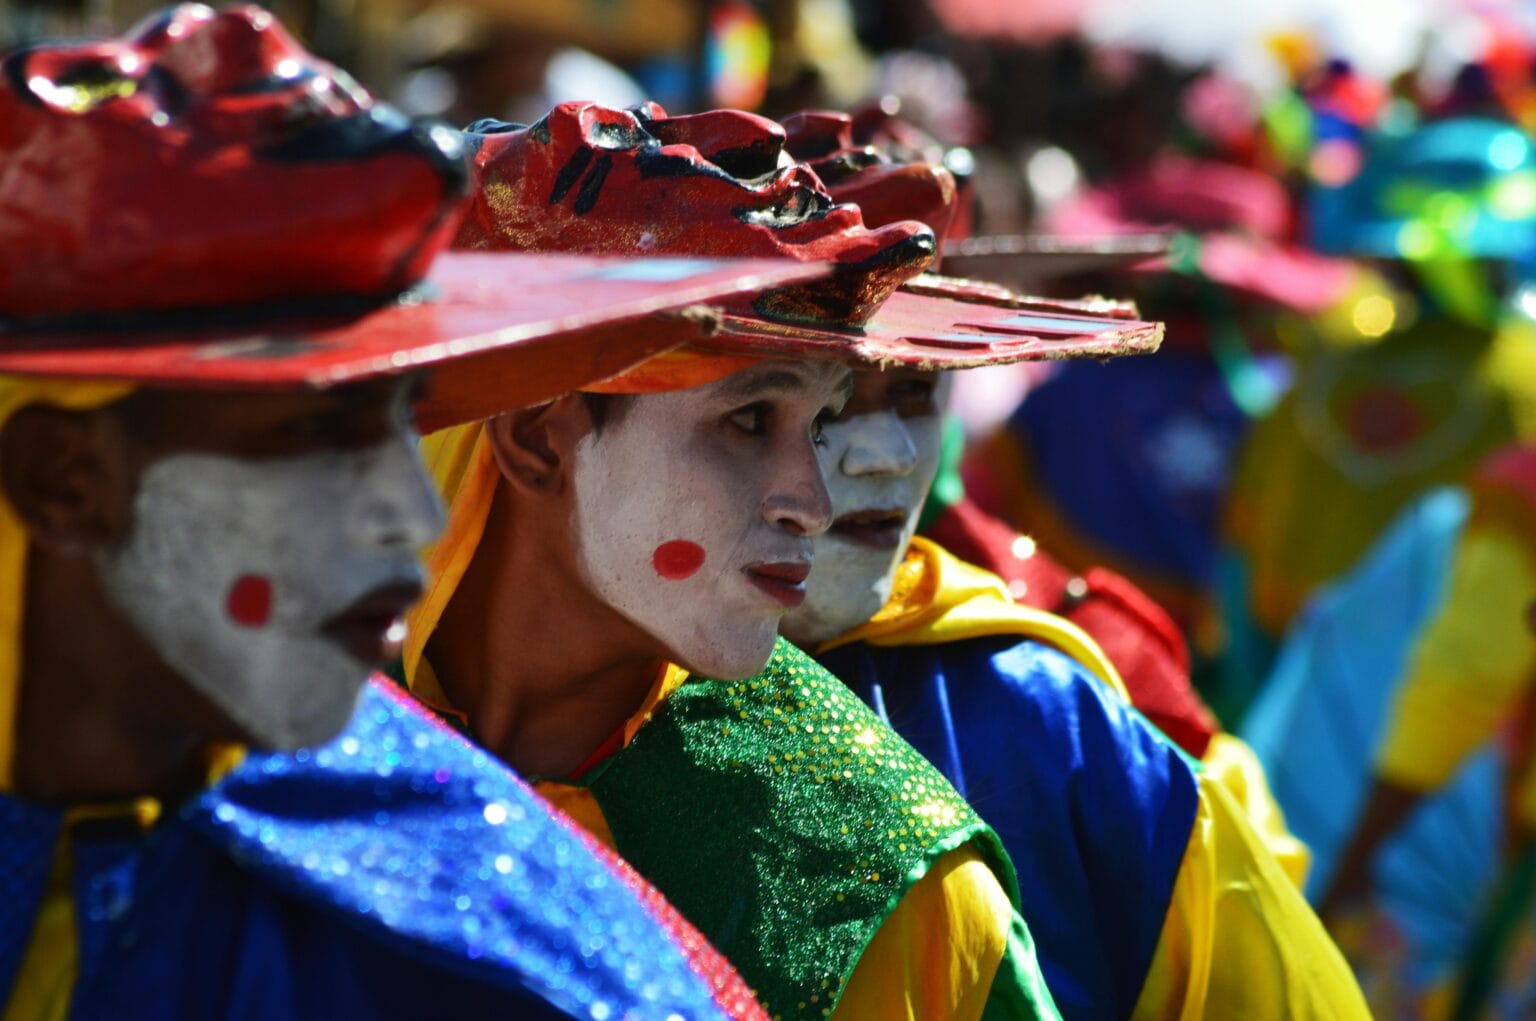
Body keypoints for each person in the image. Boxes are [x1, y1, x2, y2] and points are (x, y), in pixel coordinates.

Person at [0, 9, 781, 1018]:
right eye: (315, 439)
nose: (410, 516)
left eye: (402, 425)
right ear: (66, 475)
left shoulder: (510, 971)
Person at [400, 102, 1157, 1020]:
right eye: (748, 419)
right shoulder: (289, 737)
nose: (816, 498)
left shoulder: (887, 875)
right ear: (539, 442)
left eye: (822, 421)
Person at [776, 358, 1368, 1019]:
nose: (887, 453)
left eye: (914, 391)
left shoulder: (1053, 705)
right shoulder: (649, 704)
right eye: (828, 403)